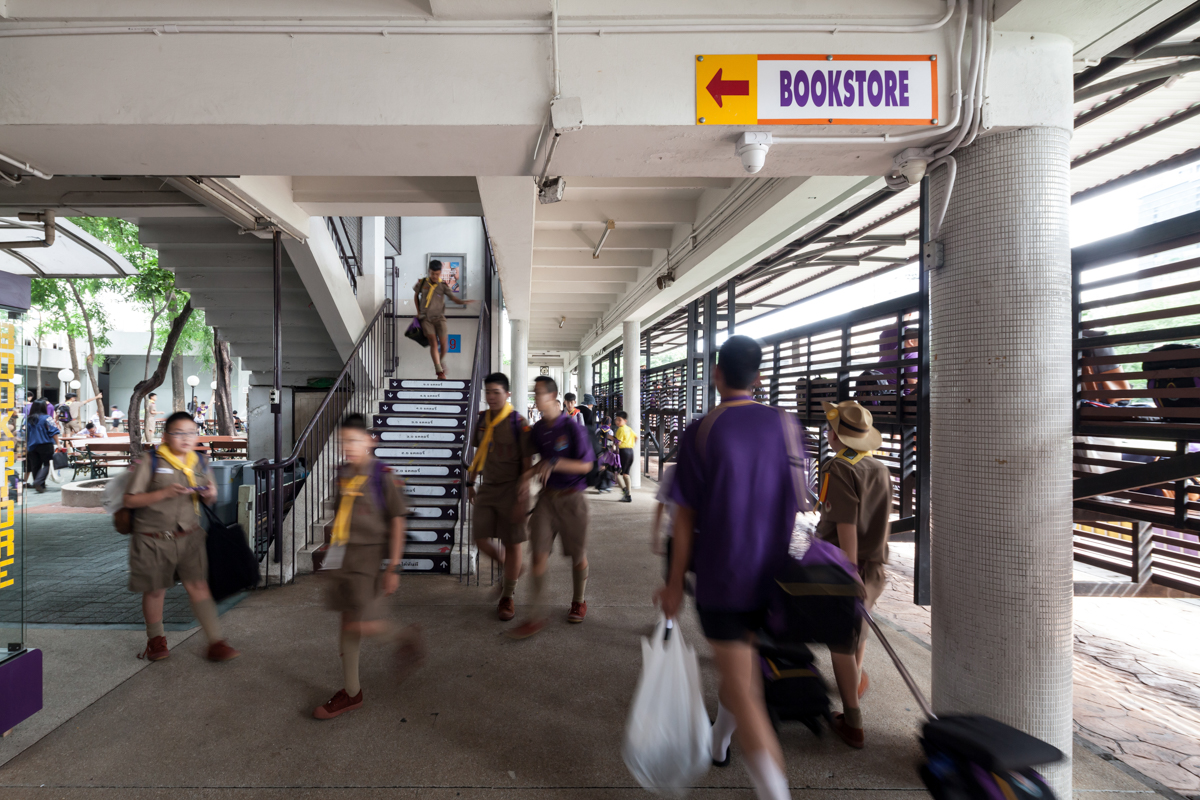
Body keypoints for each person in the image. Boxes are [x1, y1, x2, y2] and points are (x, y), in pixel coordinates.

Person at [659, 335, 807, 800]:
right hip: (775, 579)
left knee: (746, 691)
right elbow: (799, 501)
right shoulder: (786, 425)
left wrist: (673, 583)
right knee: (738, 669)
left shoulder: (702, 430)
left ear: (717, 375)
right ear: (758, 377)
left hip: (723, 579)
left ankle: (775, 793)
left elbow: (684, 520)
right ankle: (718, 743)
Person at [314, 413, 421, 720]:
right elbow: (340, 516)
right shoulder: (343, 474)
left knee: (360, 624)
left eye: (354, 440)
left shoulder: (382, 475)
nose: (348, 447)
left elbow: (398, 522)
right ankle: (352, 692)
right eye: (343, 442)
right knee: (346, 621)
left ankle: (406, 637)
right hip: (343, 557)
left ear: (369, 441)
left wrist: (393, 568)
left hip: (368, 561)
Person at [122, 411, 239, 663]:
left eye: (191, 433)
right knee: (155, 590)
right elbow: (129, 500)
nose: (186, 438)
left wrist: (209, 494)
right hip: (152, 537)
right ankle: (156, 640)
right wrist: (163, 493)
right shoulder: (150, 461)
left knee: (198, 586)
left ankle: (216, 641)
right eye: (179, 433)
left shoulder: (200, 461)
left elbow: (211, 496)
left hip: (190, 536)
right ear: (165, 436)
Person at [815, 399, 891, 750]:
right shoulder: (878, 467)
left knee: (840, 643)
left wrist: (848, 572)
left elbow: (845, 525)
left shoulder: (838, 468)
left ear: (836, 435)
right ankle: (855, 682)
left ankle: (853, 721)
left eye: (830, 429)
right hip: (874, 566)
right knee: (857, 632)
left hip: (846, 566)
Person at [509, 375, 596, 638]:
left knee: (577, 555)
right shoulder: (538, 429)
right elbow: (531, 458)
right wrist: (525, 478)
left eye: (538, 393)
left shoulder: (572, 428)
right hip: (546, 500)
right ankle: (536, 616)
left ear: (552, 397)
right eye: (534, 393)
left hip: (572, 499)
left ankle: (579, 601)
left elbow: (586, 465)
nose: (535, 397)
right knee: (538, 555)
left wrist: (554, 462)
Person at [467, 372, 535, 621]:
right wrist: (470, 482)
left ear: (507, 394)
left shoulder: (519, 423)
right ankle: (512, 567)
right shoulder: (482, 420)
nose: (491, 397)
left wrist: (523, 495)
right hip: (488, 487)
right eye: (488, 392)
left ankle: (507, 595)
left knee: (512, 541)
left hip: (513, 489)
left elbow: (527, 462)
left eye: (496, 392)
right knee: (480, 538)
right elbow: (479, 454)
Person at [412, 260, 475, 379]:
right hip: (426, 318)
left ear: (440, 273)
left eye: (437, 274)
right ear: (429, 271)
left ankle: (440, 362)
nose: (434, 276)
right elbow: (416, 296)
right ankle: (439, 371)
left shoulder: (443, 285)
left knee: (445, 345)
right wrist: (418, 312)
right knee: (433, 342)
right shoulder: (422, 282)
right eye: (432, 274)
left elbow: (453, 298)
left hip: (439, 318)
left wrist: (463, 302)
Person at [25, 400, 60, 493]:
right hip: (45, 444)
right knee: (48, 464)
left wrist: (26, 445)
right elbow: (53, 431)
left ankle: (40, 485)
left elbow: (25, 433)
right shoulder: (47, 418)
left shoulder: (28, 419)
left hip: (32, 446)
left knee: (35, 466)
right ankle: (38, 482)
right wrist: (58, 443)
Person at [613, 409, 637, 503]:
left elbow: (617, 442)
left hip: (623, 452)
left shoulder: (620, 429)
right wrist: (631, 445)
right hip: (630, 451)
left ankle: (624, 490)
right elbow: (636, 437)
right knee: (626, 474)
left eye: (620, 420)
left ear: (625, 421)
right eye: (617, 419)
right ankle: (628, 496)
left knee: (616, 472)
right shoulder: (629, 429)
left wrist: (611, 439)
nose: (617, 421)